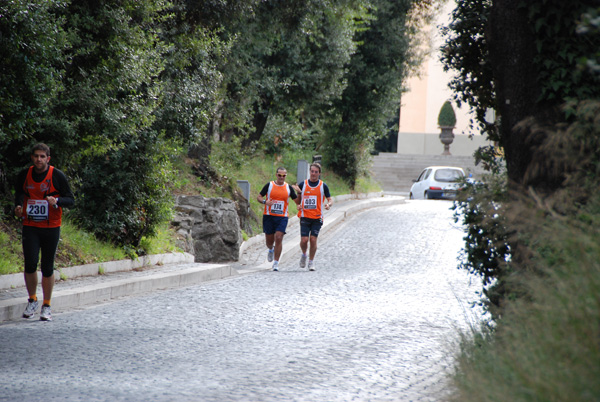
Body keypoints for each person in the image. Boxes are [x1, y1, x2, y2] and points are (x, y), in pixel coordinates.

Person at [14, 143, 75, 321]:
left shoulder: (57, 175)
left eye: (42, 156)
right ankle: (32, 300)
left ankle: (46, 305)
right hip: (31, 226)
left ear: (48, 158)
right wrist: (18, 206)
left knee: (47, 267)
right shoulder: (24, 174)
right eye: (36, 156)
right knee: (30, 263)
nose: (39, 159)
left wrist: (56, 200)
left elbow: (70, 200)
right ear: (32, 158)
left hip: (51, 227)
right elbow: (19, 193)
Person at [257, 167, 300, 271]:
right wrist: (265, 202)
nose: (281, 177)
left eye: (284, 175)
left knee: (279, 237)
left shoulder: (288, 188)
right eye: (279, 175)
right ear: (276, 175)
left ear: (286, 176)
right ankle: (271, 249)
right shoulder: (269, 185)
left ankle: (276, 263)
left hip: (282, 217)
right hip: (269, 216)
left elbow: (297, 202)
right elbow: (259, 197)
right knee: (269, 241)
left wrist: (299, 192)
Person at [292, 162, 332, 271]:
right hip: (305, 216)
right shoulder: (303, 184)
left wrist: (329, 204)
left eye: (316, 172)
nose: (313, 174)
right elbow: (298, 201)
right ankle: (304, 254)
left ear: (319, 173)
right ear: (309, 172)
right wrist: (295, 198)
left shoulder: (323, 186)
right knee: (304, 240)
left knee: (313, 239)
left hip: (317, 217)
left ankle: (311, 261)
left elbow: (330, 199)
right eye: (312, 171)